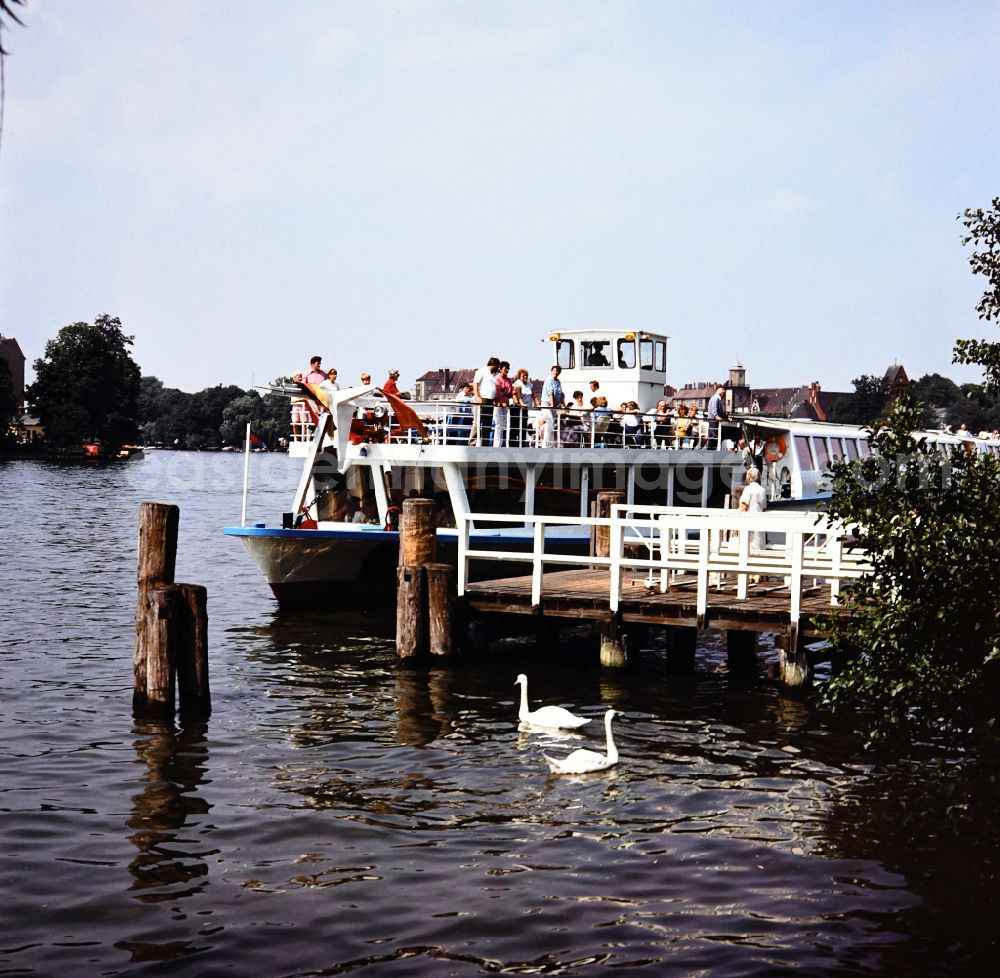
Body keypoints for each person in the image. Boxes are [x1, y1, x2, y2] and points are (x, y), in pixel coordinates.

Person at [739, 467, 767, 573]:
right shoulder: (762, 490)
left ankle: (747, 573)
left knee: (747, 548)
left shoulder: (748, 489)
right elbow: (763, 507)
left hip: (748, 522)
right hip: (759, 522)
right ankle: (757, 574)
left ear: (749, 477)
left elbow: (743, 506)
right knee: (758, 547)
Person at [470, 356, 500, 446]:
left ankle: (485, 444)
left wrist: (495, 398)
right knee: (477, 423)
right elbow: (475, 383)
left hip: (490, 401)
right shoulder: (482, 371)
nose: (498, 369)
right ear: (494, 365)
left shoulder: (495, 374)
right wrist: (477, 396)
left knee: (487, 424)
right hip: (482, 400)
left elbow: (494, 387)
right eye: (497, 366)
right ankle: (472, 443)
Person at [540, 365, 564, 447]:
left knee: (550, 425)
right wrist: (552, 404)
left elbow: (560, 393)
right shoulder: (548, 380)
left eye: (557, 371)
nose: (556, 372)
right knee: (550, 422)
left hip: (553, 406)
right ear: (551, 371)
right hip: (547, 405)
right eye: (554, 370)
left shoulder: (558, 382)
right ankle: (545, 445)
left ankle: (548, 445)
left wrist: (563, 404)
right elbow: (550, 392)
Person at [492, 361, 513, 447]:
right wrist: (502, 400)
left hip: (506, 403)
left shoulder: (508, 380)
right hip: (498, 403)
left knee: (503, 424)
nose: (507, 370)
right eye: (505, 369)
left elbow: (511, 391)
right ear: (500, 369)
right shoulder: (497, 378)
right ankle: (497, 444)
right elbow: (497, 391)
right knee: (498, 424)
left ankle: (501, 443)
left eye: (508, 369)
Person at [510, 368, 532, 448]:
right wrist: (520, 403)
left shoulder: (529, 385)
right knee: (515, 427)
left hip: (524, 408)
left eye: (526, 375)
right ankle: (512, 445)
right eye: (523, 376)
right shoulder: (517, 383)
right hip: (516, 408)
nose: (525, 377)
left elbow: (534, 395)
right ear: (519, 377)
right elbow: (517, 395)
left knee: (523, 427)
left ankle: (521, 445)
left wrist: (538, 404)